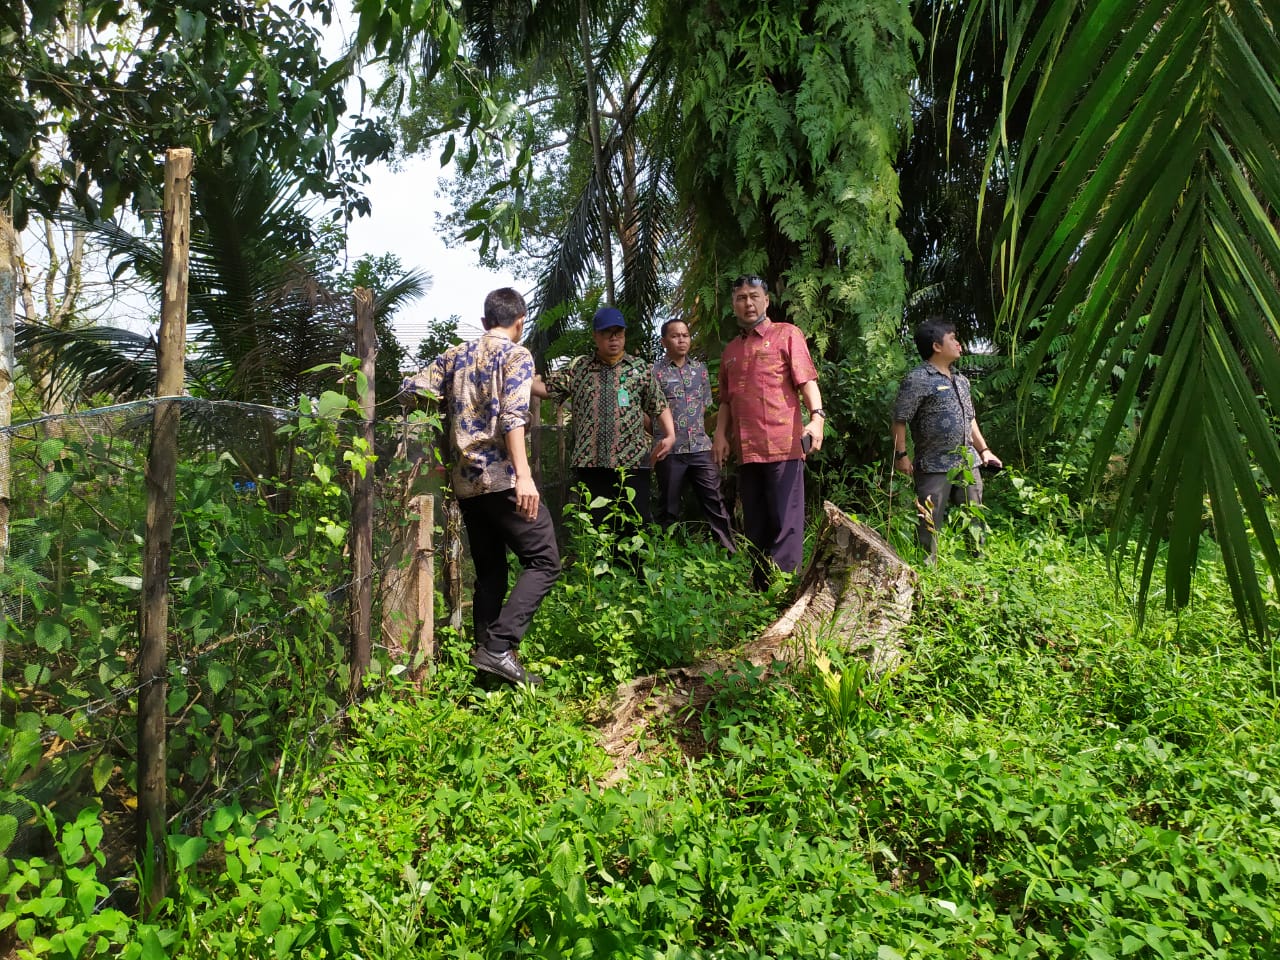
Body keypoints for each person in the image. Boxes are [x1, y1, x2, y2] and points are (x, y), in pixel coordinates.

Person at [401, 287, 560, 686]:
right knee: (544, 561)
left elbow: (411, 389)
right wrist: (524, 476)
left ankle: (485, 668)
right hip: (503, 479)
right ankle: (499, 647)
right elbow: (512, 417)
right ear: (519, 320)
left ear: (486, 318)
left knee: (490, 573)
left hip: (466, 483)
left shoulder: (456, 355)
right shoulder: (517, 355)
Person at [713, 275, 825, 590]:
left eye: (753, 296)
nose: (748, 303)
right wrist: (720, 435)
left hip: (783, 445)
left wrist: (817, 417)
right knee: (756, 525)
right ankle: (762, 591)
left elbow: (806, 381)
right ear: (733, 304)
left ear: (766, 300)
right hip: (746, 451)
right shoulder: (731, 350)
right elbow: (726, 399)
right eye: (740, 298)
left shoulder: (786, 335)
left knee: (786, 524)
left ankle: (785, 590)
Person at [891, 316, 1002, 559]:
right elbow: (900, 419)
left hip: (967, 462)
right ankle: (925, 571)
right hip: (934, 464)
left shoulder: (961, 381)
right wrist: (901, 455)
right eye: (953, 339)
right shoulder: (918, 379)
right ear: (936, 346)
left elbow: (970, 419)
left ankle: (979, 564)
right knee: (929, 521)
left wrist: (984, 450)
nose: (959, 344)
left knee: (975, 516)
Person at [652, 318, 736, 551]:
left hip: (700, 447)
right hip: (670, 451)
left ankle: (730, 553)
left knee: (714, 502)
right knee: (668, 507)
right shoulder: (654, 373)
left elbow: (706, 406)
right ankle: (665, 556)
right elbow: (647, 412)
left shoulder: (699, 370)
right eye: (675, 335)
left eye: (685, 335)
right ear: (664, 341)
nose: (681, 339)